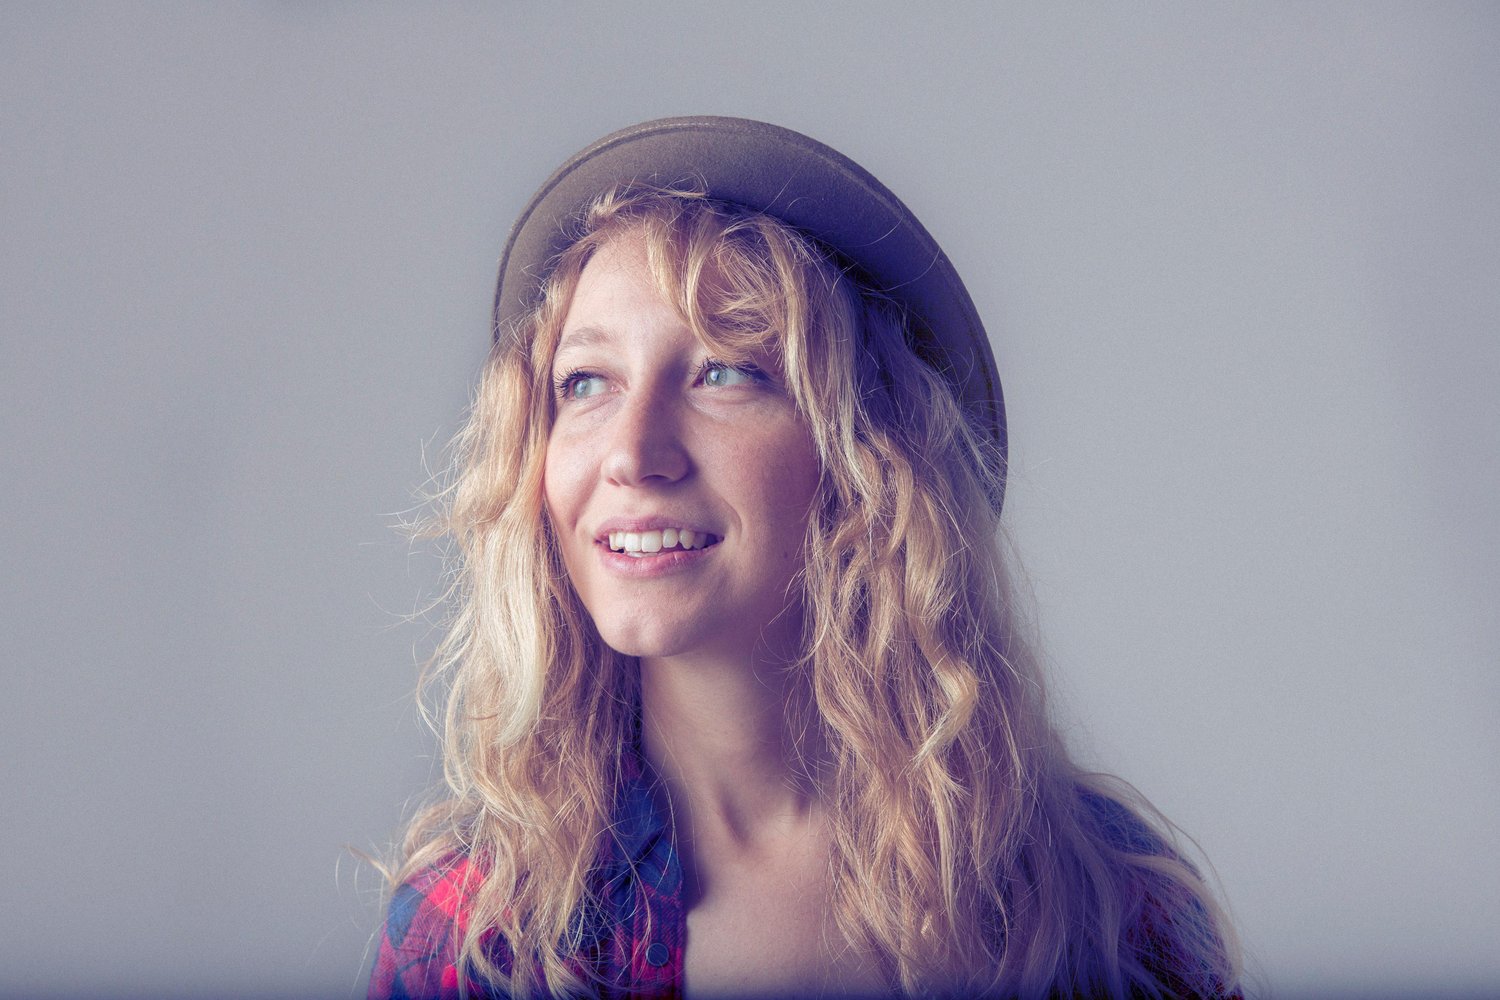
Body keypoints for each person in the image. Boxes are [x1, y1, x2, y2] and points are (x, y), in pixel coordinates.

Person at [368, 117, 1241, 999]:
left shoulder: (1101, 905)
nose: (631, 453)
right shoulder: (474, 934)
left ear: (870, 458)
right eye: (585, 383)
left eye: (724, 371)